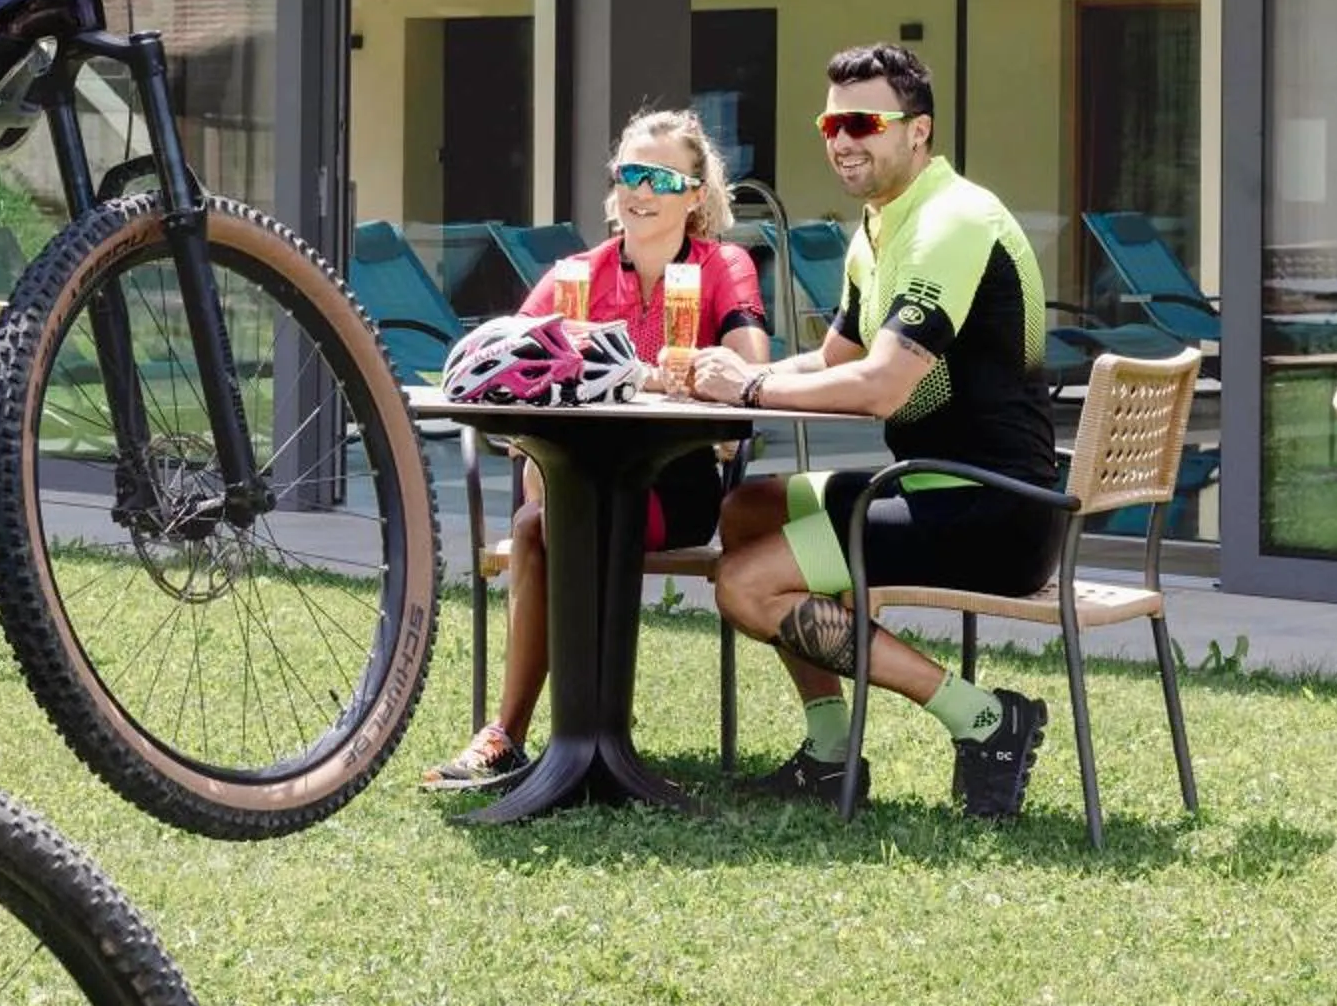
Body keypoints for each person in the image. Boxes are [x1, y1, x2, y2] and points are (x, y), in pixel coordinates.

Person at [686, 45, 1060, 819]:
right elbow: (835, 360)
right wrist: (707, 372)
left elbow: (883, 388)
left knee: (744, 585)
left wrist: (749, 385)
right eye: (831, 122)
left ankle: (987, 719)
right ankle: (830, 755)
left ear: (917, 131)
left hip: (989, 509)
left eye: (863, 121)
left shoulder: (951, 222)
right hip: (926, 489)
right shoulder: (878, 230)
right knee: (746, 512)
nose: (842, 139)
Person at [421, 110, 768, 789]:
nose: (639, 190)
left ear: (695, 194)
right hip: (570, 475)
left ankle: (532, 738)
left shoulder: (721, 267)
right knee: (541, 517)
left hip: (674, 480)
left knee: (542, 526)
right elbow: (500, 369)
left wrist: (691, 366)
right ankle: (520, 738)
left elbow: (752, 365)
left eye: (659, 177)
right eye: (627, 174)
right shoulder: (578, 273)